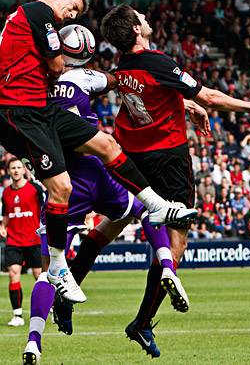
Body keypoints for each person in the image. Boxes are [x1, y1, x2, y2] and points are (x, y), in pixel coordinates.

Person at [0, 0, 194, 304]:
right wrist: (62, 67)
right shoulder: (40, 13)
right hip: (20, 113)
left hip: (41, 108)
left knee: (107, 145)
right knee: (62, 189)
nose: (70, 17)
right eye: (72, 9)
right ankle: (57, 267)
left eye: (74, 15)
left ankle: (156, 205)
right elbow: (56, 66)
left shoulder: (16, 20)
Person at [99, 4, 250, 356]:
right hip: (169, 158)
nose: (147, 19)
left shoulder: (123, 68)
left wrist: (183, 105)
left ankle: (67, 273)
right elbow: (208, 95)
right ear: (135, 30)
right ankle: (142, 321)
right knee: (177, 245)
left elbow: (148, 94)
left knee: (116, 221)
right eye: (141, 18)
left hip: (133, 156)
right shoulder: (158, 62)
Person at [22, 26, 188, 364]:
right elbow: (119, 81)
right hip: (98, 169)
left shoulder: (33, 88)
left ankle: (34, 341)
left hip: (63, 182)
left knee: (47, 269)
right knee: (144, 207)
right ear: (85, 53)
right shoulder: (86, 79)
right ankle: (168, 266)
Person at [1, 158, 44, 327]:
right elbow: (6, 214)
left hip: (34, 239)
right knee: (13, 274)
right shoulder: (5, 192)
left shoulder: (35, 189)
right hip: (14, 240)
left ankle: (49, 307)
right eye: (13, 168)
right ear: (9, 171)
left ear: (24, 170)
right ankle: (17, 315)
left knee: (39, 277)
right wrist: (3, 226)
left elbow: (45, 209)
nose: (16, 170)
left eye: (19, 167)